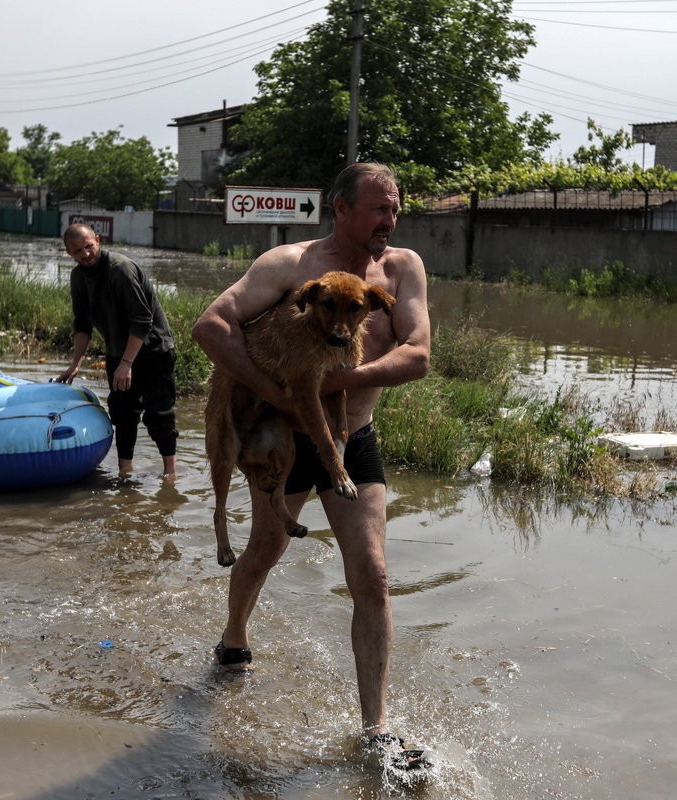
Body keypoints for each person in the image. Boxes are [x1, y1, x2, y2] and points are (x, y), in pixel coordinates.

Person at [191, 162, 431, 764]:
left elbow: (419, 354)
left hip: (355, 435)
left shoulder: (401, 269)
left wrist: (337, 379)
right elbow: (211, 326)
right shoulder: (290, 267)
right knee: (267, 549)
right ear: (341, 209)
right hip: (284, 434)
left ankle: (375, 728)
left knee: (372, 576)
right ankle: (233, 638)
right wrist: (278, 396)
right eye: (378, 208)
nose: (390, 220)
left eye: (395, 208)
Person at [56, 224, 177, 477]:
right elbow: (82, 324)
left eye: (89, 246)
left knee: (159, 415)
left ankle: (170, 475)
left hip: (153, 351)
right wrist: (76, 363)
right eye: (78, 251)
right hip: (118, 354)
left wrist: (127, 364)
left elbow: (142, 320)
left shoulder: (120, 270)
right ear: (68, 253)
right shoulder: (78, 277)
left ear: (98, 241)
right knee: (122, 414)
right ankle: (125, 472)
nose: (86, 254)